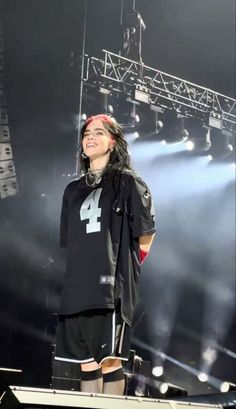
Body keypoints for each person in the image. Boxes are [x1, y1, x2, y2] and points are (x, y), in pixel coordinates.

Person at [54, 114, 156, 395]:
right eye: (86, 133)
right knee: (86, 363)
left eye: (98, 132)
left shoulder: (127, 182)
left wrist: (125, 269)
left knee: (110, 362)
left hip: (111, 286)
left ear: (112, 142)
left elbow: (146, 233)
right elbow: (71, 242)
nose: (89, 137)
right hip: (77, 286)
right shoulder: (72, 190)